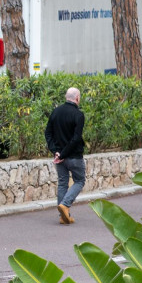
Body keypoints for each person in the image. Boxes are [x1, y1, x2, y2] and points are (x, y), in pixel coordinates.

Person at [44, 87, 86, 225]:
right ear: (77, 98)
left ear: (66, 97)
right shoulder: (78, 115)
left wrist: (55, 151)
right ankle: (65, 205)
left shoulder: (55, 112)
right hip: (73, 156)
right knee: (79, 180)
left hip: (59, 156)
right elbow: (76, 138)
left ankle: (63, 216)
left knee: (63, 182)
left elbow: (48, 133)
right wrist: (63, 153)